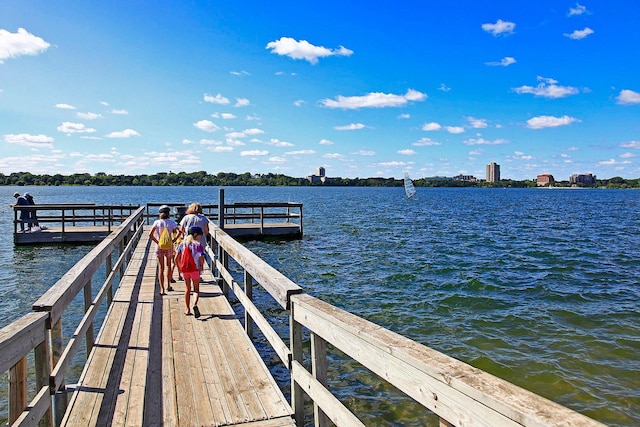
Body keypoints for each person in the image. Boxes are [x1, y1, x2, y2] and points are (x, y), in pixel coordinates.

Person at [150, 205, 180, 295]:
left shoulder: (157, 222)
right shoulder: (172, 222)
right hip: (169, 246)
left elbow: (150, 235)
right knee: (168, 266)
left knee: (161, 268)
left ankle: (162, 289)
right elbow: (179, 232)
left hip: (160, 246)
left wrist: (157, 242)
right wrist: (174, 240)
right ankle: (168, 286)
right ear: (168, 213)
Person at [176, 226, 205, 317]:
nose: (200, 237)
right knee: (196, 289)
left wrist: (179, 266)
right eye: (200, 236)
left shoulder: (182, 244)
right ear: (195, 234)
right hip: (195, 269)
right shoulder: (198, 245)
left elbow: (177, 257)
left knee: (187, 289)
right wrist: (201, 267)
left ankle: (187, 309)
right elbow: (201, 258)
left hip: (185, 270)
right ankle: (194, 304)